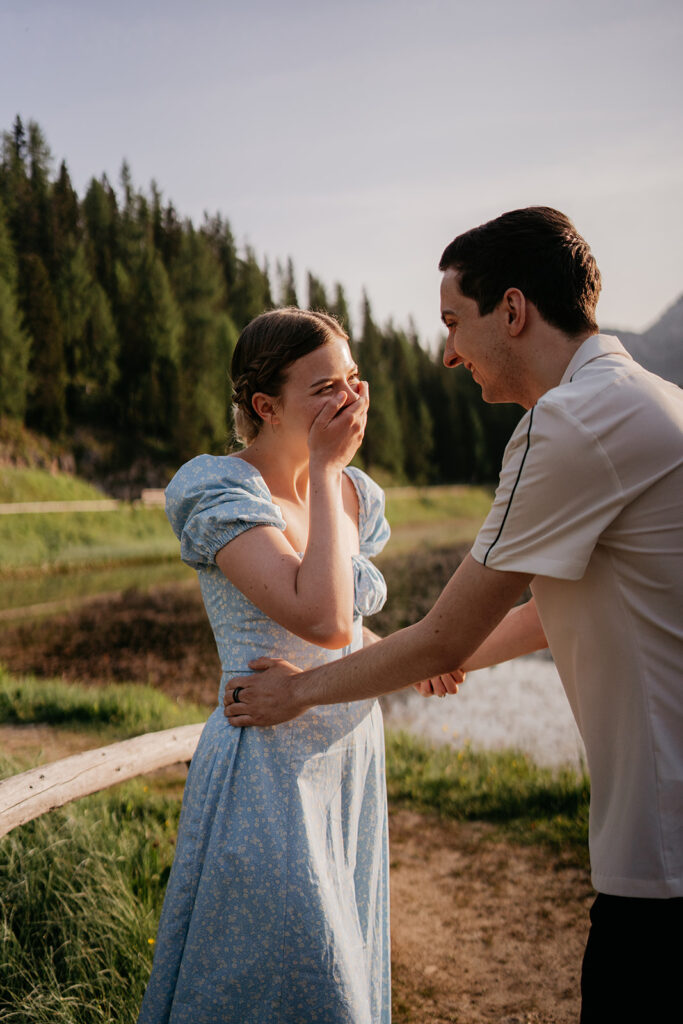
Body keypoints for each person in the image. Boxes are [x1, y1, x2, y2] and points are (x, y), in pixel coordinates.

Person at [224, 208, 683, 1022]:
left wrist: (299, 692)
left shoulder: (569, 423)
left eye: (452, 321)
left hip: (665, 852)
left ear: (511, 310)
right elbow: (546, 612)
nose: (445, 352)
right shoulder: (646, 399)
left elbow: (444, 630)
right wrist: (449, 661)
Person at [138, 307, 394, 1024]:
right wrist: (321, 463)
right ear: (264, 405)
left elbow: (348, 639)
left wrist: (411, 658)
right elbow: (322, 616)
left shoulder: (351, 494)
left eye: (351, 381)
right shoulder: (222, 489)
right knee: (287, 975)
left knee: (343, 949)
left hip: (350, 762)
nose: (346, 400)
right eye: (323, 388)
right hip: (267, 769)